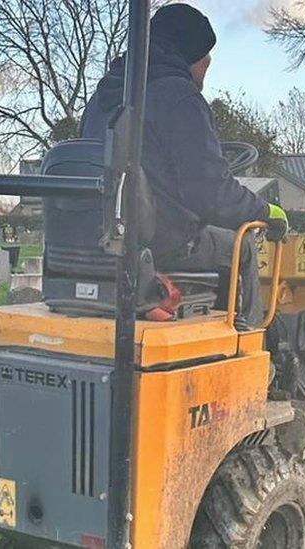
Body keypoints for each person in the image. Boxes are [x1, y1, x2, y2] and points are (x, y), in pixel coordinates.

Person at [80, 4, 289, 330]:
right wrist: (266, 212)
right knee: (242, 245)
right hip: (158, 242)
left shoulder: (103, 98)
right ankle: (249, 345)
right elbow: (211, 194)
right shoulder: (179, 97)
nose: (208, 66)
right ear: (190, 55)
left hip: (100, 239)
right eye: (205, 57)